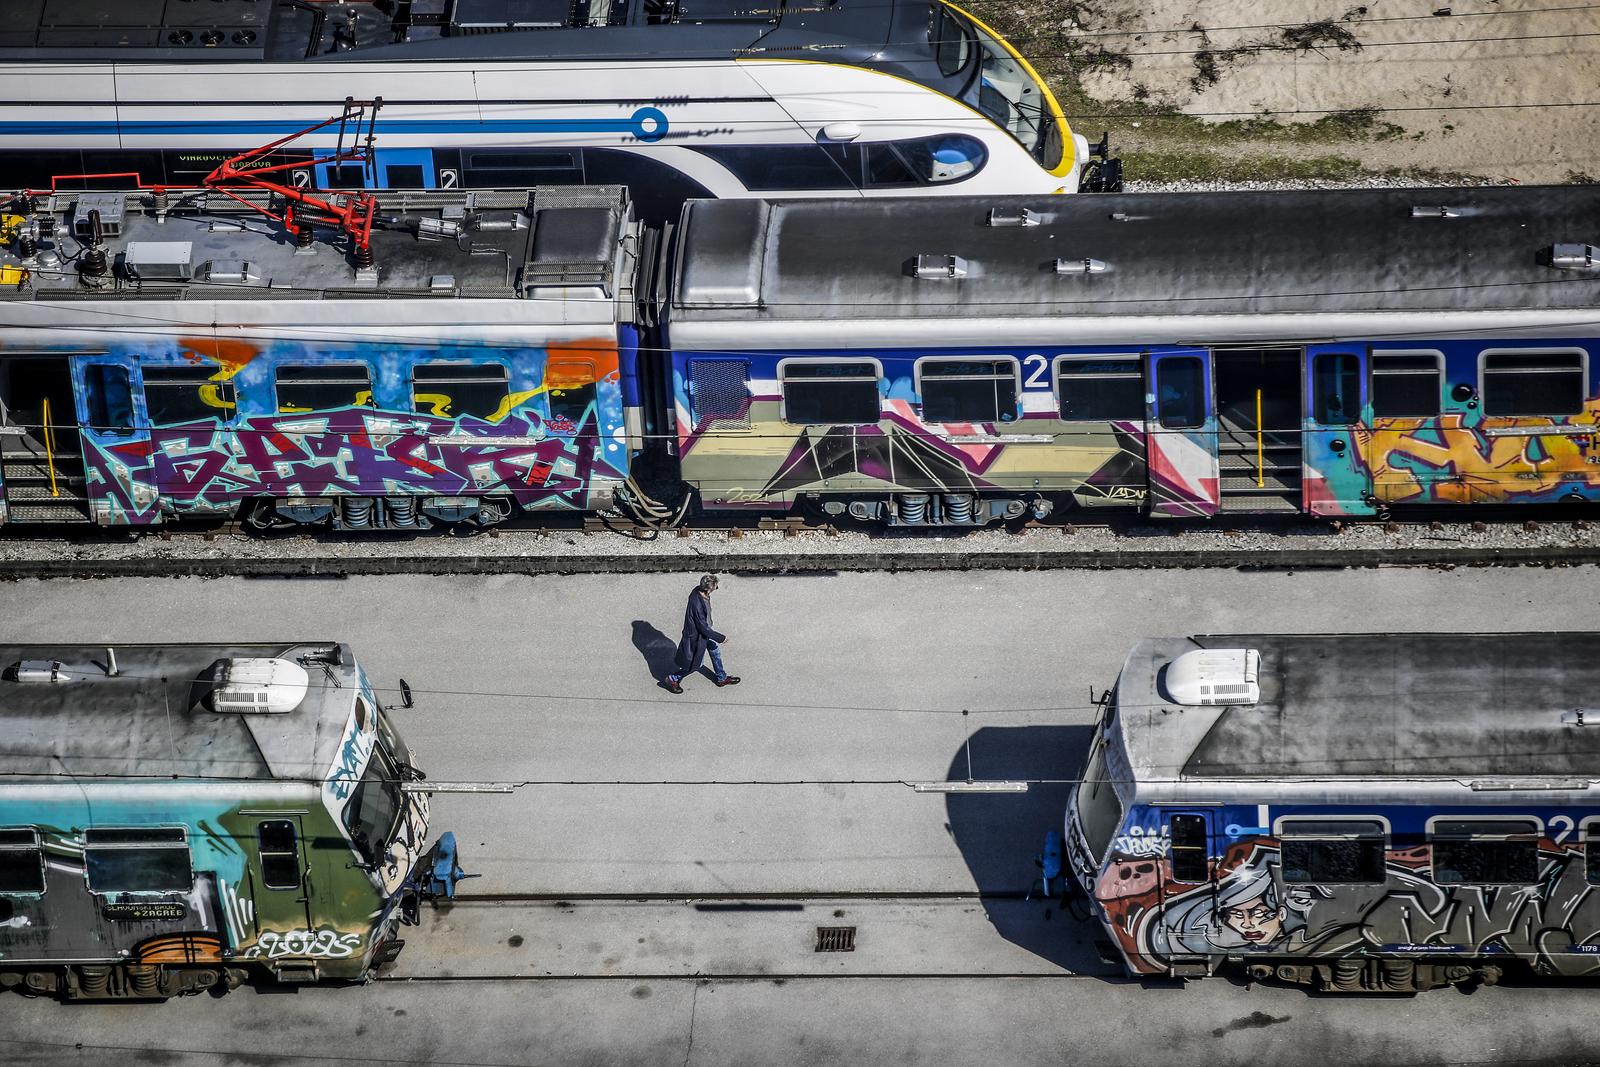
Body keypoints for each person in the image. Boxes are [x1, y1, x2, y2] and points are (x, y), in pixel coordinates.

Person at [664, 574, 739, 694]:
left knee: (715, 651)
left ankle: (721, 678)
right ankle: (673, 678)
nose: (716, 588)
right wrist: (721, 638)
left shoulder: (699, 591)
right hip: (698, 636)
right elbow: (702, 628)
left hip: (706, 631)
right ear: (708, 589)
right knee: (697, 664)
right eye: (715, 587)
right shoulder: (697, 604)